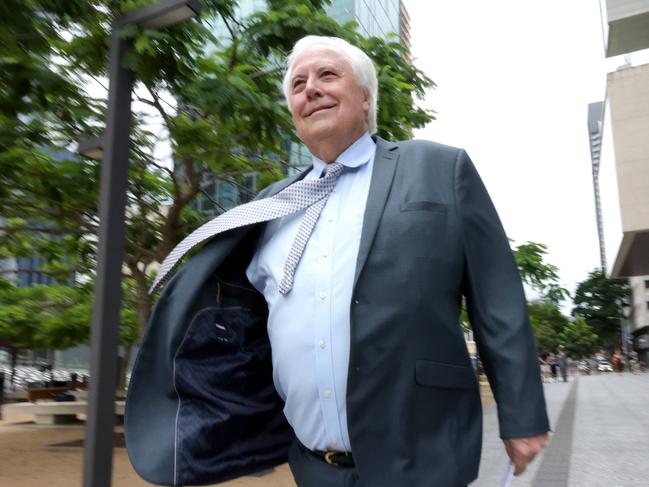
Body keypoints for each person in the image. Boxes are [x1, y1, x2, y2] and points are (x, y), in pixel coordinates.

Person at [125, 35, 549, 487]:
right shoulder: (272, 206)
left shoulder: (439, 168)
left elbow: (497, 295)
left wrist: (522, 414)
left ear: (366, 97)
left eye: (328, 75)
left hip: (422, 457)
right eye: (298, 84)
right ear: (292, 111)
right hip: (312, 465)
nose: (310, 89)